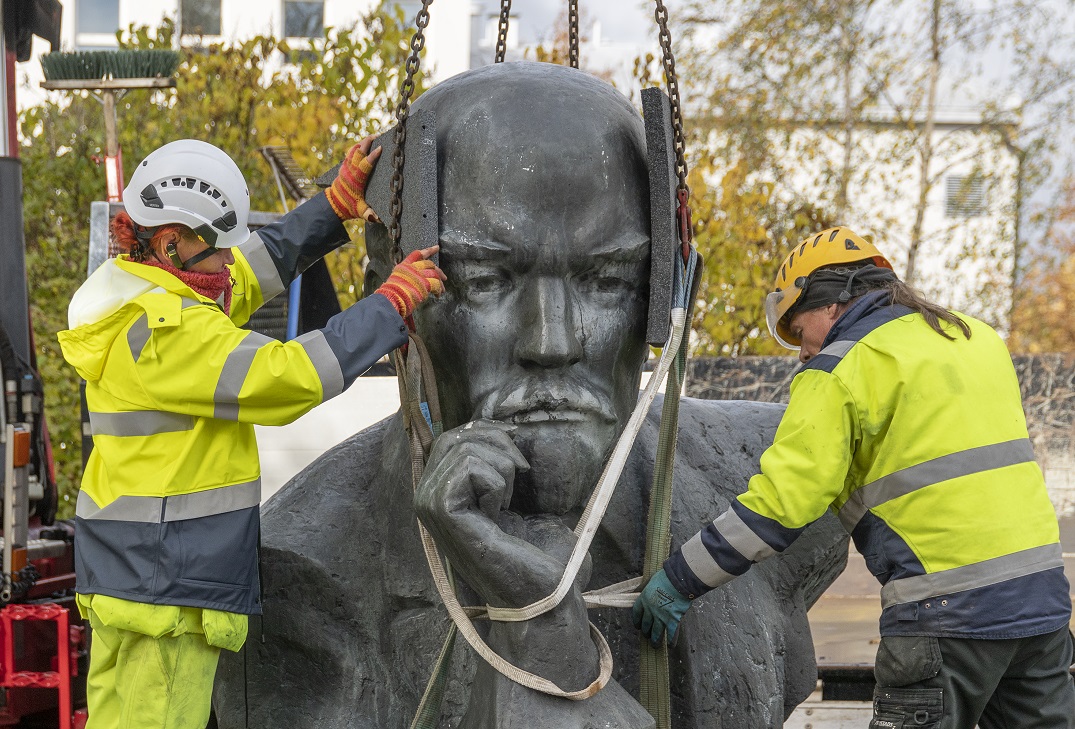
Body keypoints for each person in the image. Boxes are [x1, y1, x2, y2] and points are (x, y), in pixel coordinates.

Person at [213, 61, 849, 729]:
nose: (552, 340)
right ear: (387, 283)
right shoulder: (300, 574)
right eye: (486, 280)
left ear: (662, 289)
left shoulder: (768, 471)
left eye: (606, 280)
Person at [57, 135, 445, 729]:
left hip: (138, 578)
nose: (225, 265)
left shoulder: (145, 291)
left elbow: (247, 269)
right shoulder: (166, 335)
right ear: (171, 243)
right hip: (168, 588)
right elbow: (286, 378)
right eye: (215, 251)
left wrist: (331, 208)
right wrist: (387, 307)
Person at [633, 226, 1075, 728]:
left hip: (943, 617)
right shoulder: (976, 339)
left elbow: (781, 505)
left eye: (798, 331)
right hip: (1042, 609)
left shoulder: (840, 369)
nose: (801, 351)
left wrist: (681, 579)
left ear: (830, 301)